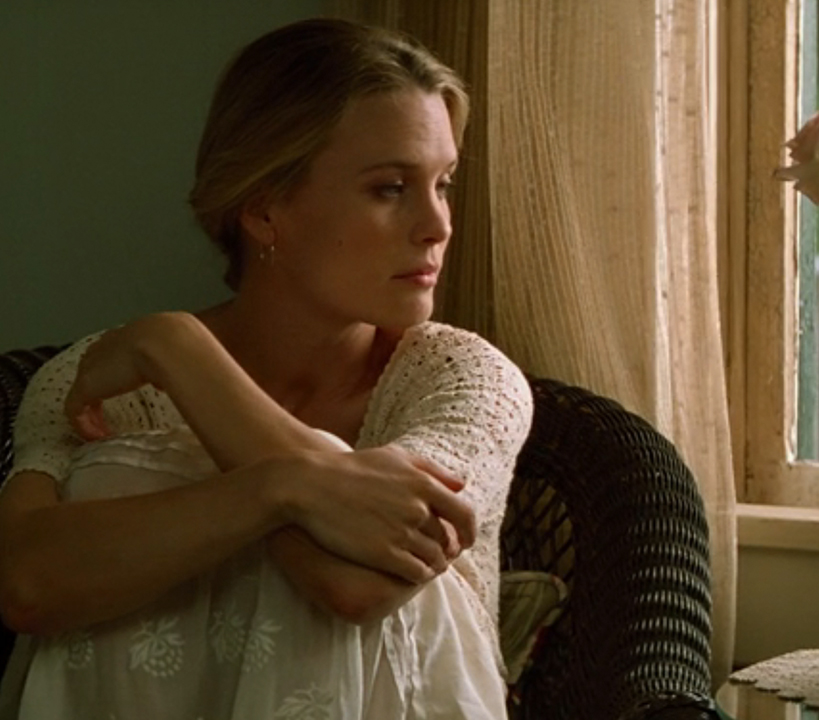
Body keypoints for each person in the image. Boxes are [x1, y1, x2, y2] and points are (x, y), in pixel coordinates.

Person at [0, 17, 532, 719]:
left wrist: (179, 353)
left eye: (444, 184)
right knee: (117, 474)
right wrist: (276, 490)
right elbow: (27, 584)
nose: (437, 225)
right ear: (264, 208)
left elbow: (356, 588)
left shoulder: (464, 378)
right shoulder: (92, 382)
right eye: (390, 188)